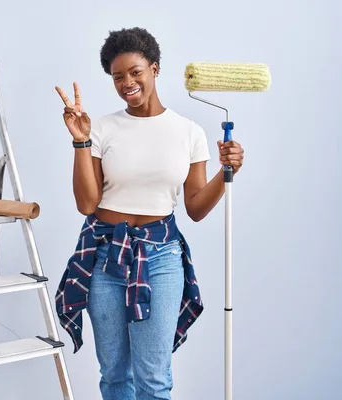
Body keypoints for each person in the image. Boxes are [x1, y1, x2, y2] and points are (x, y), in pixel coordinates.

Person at [54, 27, 245, 400]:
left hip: (160, 258)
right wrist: (81, 140)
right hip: (104, 256)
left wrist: (228, 174)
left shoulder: (189, 132)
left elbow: (196, 208)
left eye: (135, 71)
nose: (127, 83)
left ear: (154, 68)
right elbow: (86, 205)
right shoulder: (103, 127)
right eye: (118, 77)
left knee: (153, 379)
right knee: (114, 375)